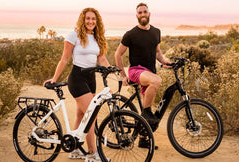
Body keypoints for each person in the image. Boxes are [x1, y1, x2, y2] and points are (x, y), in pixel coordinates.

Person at [43, 7, 110, 162]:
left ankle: (75, 150)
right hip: (77, 77)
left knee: (81, 115)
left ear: (97, 21)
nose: (90, 21)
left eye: (93, 19)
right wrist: (54, 78)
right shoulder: (74, 35)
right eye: (87, 18)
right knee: (91, 116)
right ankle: (92, 153)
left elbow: (102, 60)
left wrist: (113, 70)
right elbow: (65, 59)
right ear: (82, 20)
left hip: (91, 78)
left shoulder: (97, 37)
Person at [115, 2, 171, 149]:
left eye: (144, 12)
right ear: (137, 16)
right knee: (156, 81)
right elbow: (118, 54)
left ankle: (143, 139)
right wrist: (123, 75)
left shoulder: (156, 32)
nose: (142, 15)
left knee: (149, 97)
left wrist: (164, 61)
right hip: (135, 71)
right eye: (140, 13)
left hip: (150, 72)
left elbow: (158, 52)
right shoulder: (130, 34)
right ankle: (146, 114)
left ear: (149, 14)